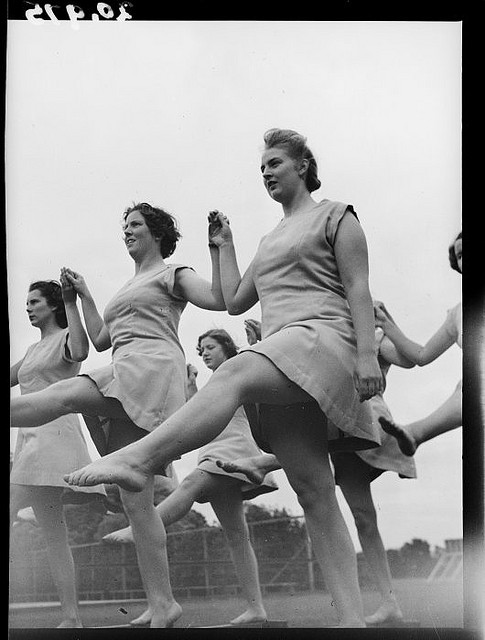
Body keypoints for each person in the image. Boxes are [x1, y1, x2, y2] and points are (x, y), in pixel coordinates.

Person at [64, 128, 384, 628]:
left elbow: (359, 286)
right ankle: (351, 621)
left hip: (324, 340)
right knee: (312, 489)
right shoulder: (269, 238)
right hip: (285, 355)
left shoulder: (337, 216)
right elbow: (234, 299)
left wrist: (368, 355)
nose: (266, 172)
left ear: (303, 165)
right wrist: (223, 245)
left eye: (275, 162)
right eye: (261, 168)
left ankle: (140, 460)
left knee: (234, 371)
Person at [10, 202, 227, 628]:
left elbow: (219, 298)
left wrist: (220, 249)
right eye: (124, 226)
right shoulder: (127, 287)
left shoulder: (173, 273)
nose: (126, 231)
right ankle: (163, 603)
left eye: (135, 225)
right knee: (136, 502)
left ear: (157, 234)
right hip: (125, 366)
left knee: (67, 393)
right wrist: (81, 296)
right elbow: (102, 338)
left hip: (150, 368)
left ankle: (162, 601)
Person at [218, 317, 417, 626]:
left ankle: (389, 601)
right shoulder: (321, 332)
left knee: (364, 517)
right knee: (358, 513)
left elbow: (407, 359)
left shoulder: (371, 337)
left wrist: (387, 326)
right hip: (332, 424)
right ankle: (387, 603)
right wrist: (263, 342)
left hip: (368, 421)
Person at [103, 329, 278, 627]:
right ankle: (255, 608)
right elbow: (200, 414)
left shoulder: (241, 370)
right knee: (237, 535)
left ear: (227, 347)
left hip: (234, 449)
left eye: (210, 347)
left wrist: (257, 342)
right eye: (201, 350)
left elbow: (262, 374)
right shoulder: (214, 382)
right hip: (213, 451)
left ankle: (138, 529)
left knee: (190, 486)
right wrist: (191, 387)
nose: (205, 353)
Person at [10, 278, 106, 628]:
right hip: (30, 443)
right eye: (27, 302)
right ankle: (71, 617)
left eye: (35, 301)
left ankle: (72, 616)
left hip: (53, 442)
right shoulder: (32, 352)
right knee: (54, 534)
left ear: (52, 305)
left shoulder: (65, 339)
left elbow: (81, 351)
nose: (28, 307)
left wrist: (71, 301)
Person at [374, 231, 462, 456]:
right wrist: (385, 322)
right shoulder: (458, 315)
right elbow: (421, 356)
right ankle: (414, 433)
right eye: (461, 255)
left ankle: (416, 433)